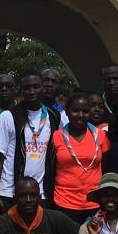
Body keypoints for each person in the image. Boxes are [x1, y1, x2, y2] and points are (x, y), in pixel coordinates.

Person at [0, 71, 61, 213]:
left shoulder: (53, 116)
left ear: (43, 87)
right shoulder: (8, 116)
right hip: (10, 191)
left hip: (41, 192)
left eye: (36, 86)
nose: (32, 91)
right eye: (27, 88)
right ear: (20, 90)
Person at [47, 91, 109, 224]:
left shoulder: (100, 136)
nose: (80, 115)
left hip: (94, 202)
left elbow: (106, 167)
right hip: (64, 202)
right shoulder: (57, 137)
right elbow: (50, 170)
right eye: (75, 110)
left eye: (85, 111)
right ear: (67, 112)